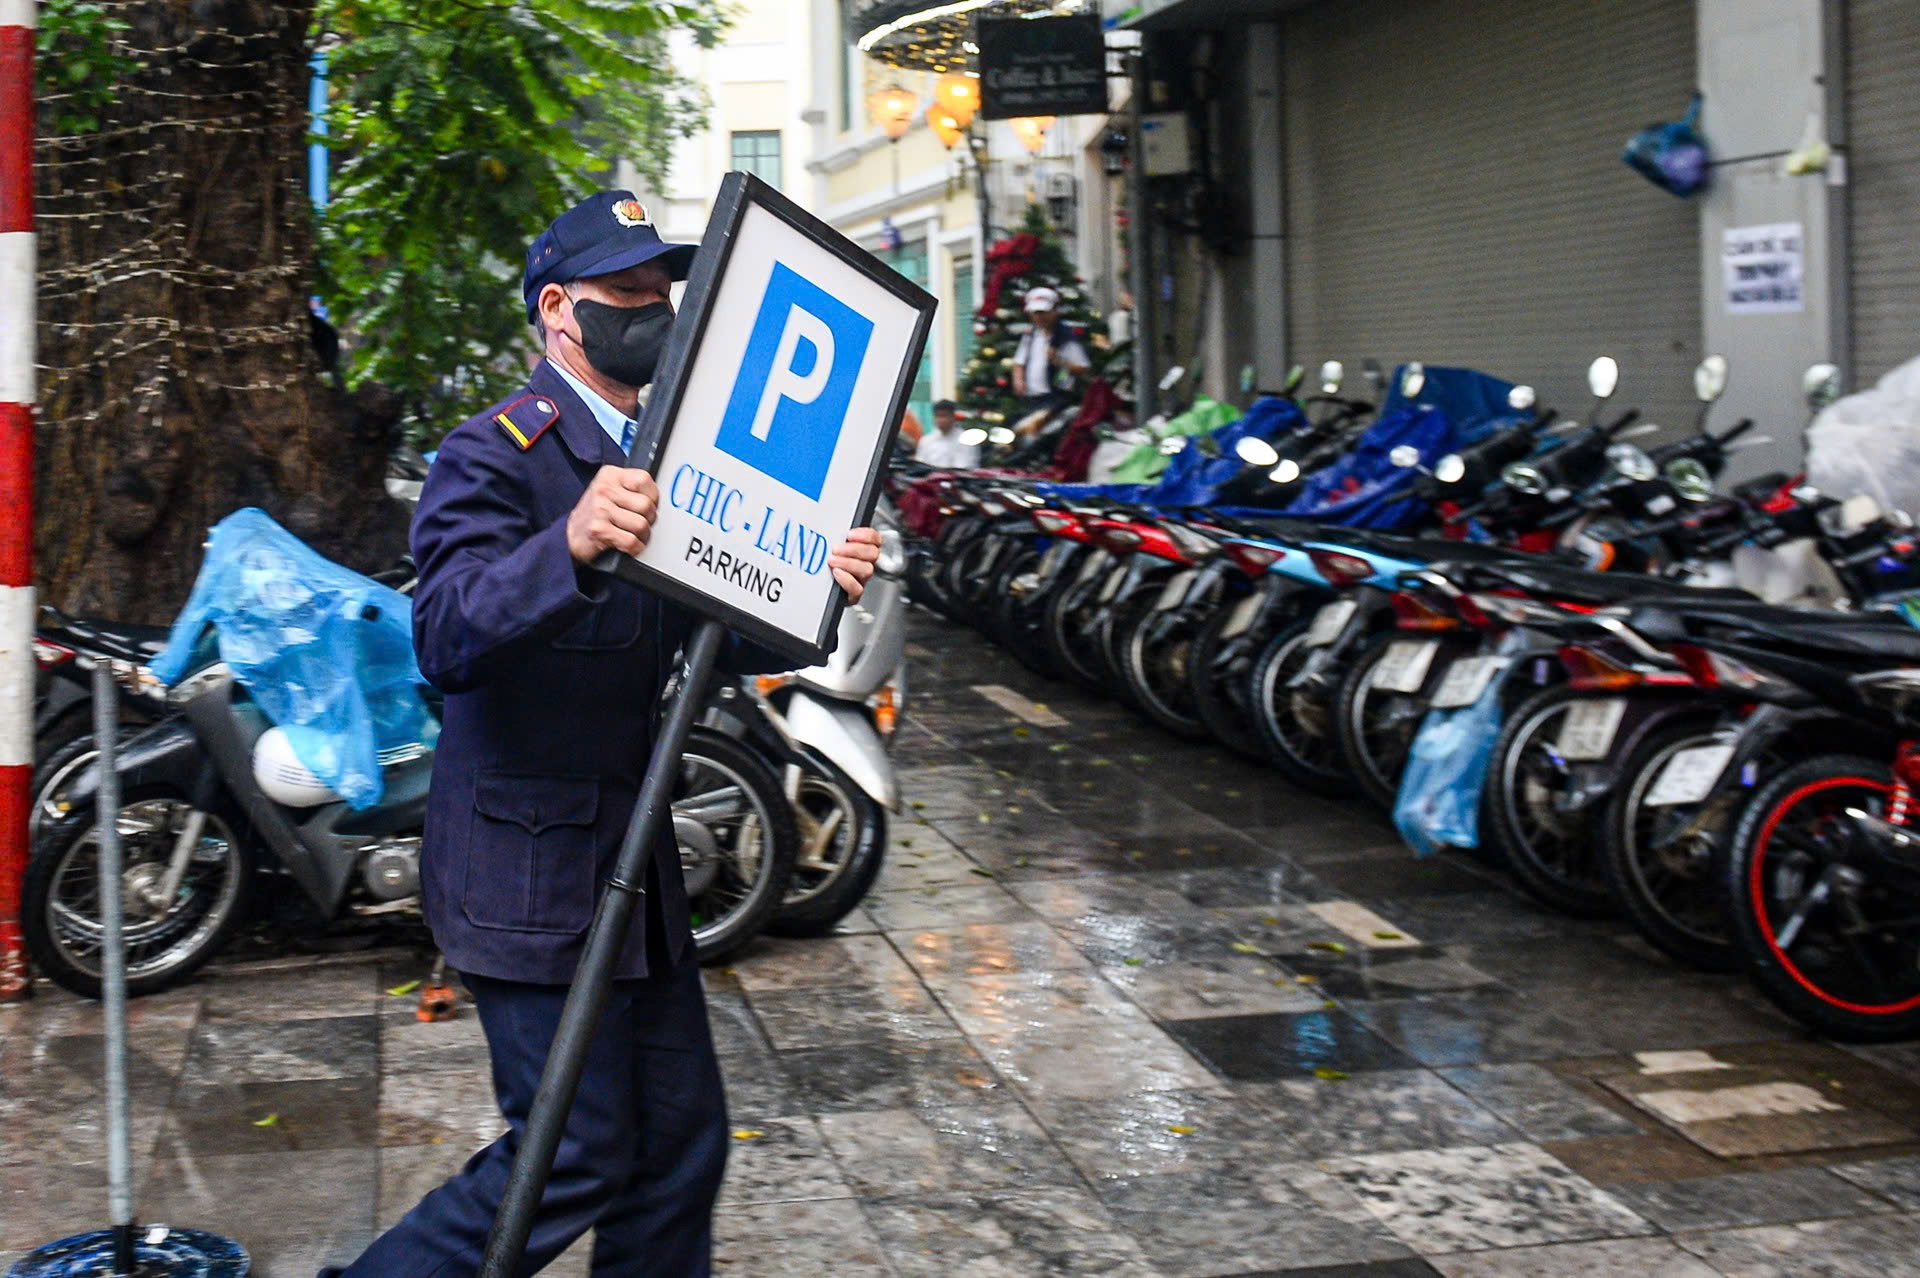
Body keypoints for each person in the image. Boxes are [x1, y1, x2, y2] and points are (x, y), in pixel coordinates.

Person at [323, 190, 880, 1278]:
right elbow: (446, 635)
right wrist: (569, 543)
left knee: (678, 1148)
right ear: (557, 312)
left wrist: (817, 591)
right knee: (569, 1156)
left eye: (661, 290)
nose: (653, 310)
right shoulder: (494, 455)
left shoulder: (670, 462)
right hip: (526, 874)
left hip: (634, 874)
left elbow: (706, 632)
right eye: (625, 292)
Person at [1009, 285, 1090, 417]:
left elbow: (1083, 368)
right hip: (1031, 399)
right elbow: (1019, 362)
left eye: (1043, 312)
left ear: (1054, 311)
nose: (1039, 317)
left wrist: (1058, 361)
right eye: (1035, 313)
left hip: (1055, 400)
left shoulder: (1065, 338)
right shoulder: (1030, 335)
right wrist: (1018, 380)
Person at [913, 399, 979, 469]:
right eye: (938, 416)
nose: (941, 420)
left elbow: (964, 467)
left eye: (944, 416)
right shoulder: (926, 440)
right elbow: (920, 465)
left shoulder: (966, 440)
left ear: (953, 417)